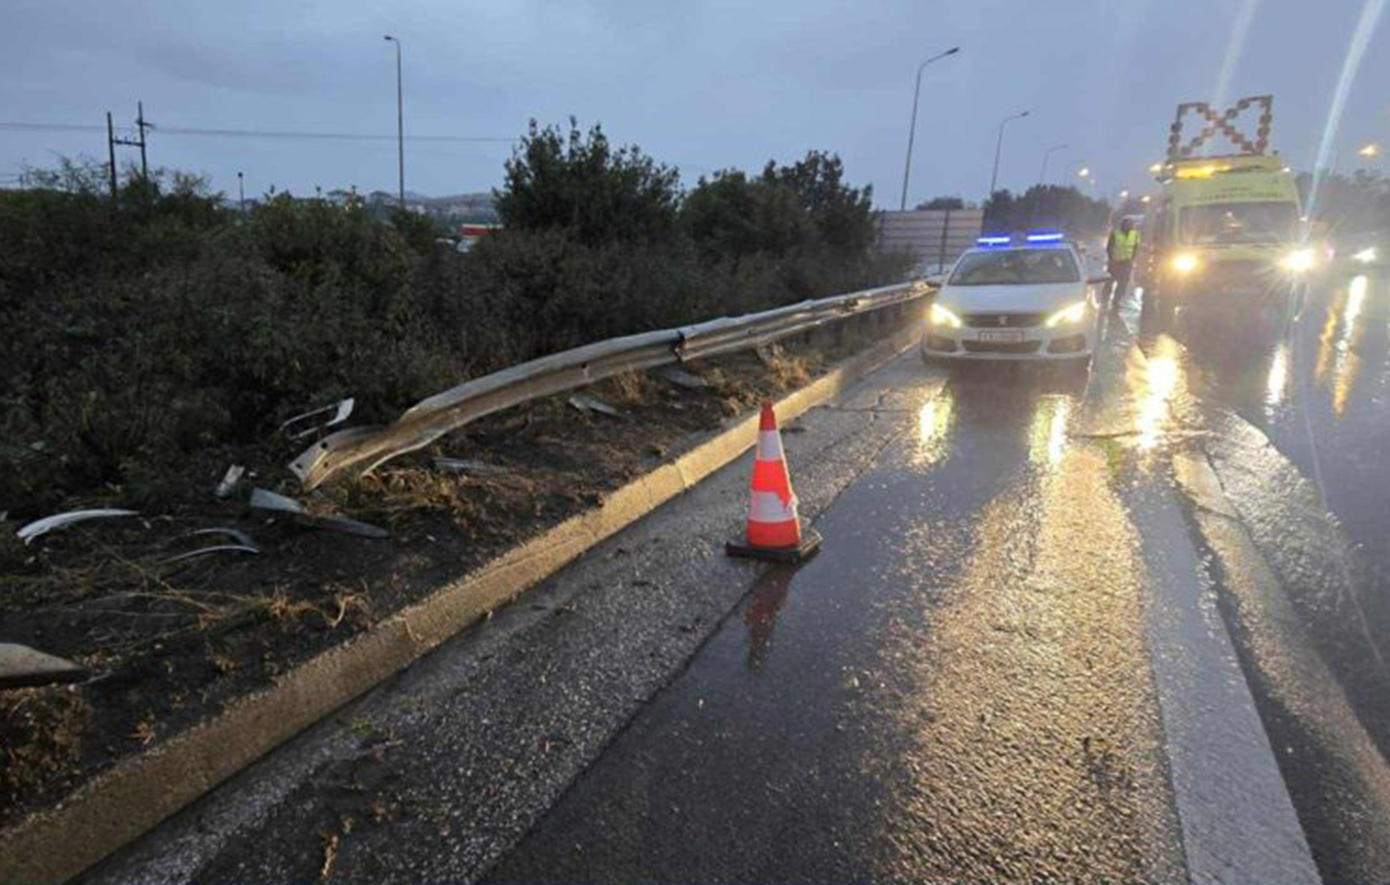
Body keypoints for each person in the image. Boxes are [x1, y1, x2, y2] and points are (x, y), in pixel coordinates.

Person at [1105, 217, 1140, 308]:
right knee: (1109, 282)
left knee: (1123, 284)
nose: (1130, 226)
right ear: (1123, 225)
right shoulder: (1115, 234)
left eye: (1131, 224)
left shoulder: (1135, 234)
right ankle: (1105, 300)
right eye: (1127, 224)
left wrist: (1133, 259)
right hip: (1115, 262)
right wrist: (1111, 259)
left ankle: (1116, 301)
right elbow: (1109, 248)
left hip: (1126, 263)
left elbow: (1135, 247)